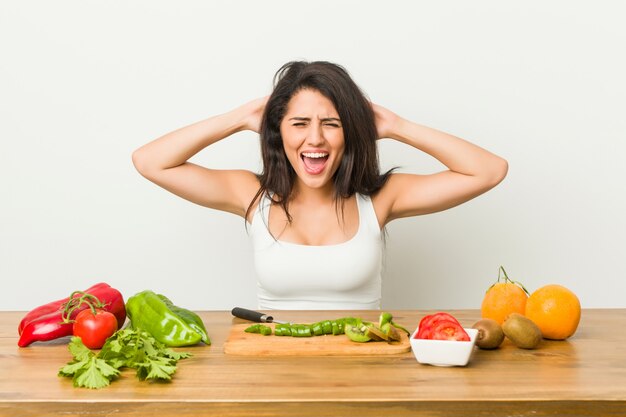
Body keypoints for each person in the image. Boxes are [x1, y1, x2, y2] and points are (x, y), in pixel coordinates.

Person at [132, 61, 508, 310]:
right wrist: (239, 117)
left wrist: (398, 126)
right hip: (275, 375)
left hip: (364, 375)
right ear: (277, 132)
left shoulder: (380, 199)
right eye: (299, 123)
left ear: (351, 133)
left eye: (331, 123)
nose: (315, 139)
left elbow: (489, 170)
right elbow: (150, 161)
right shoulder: (251, 196)